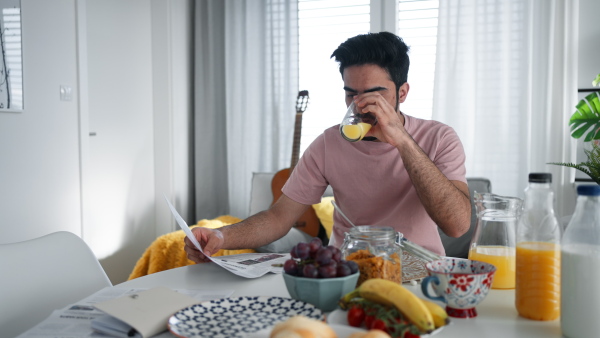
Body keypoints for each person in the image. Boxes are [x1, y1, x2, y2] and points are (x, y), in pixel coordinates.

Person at [185, 31, 471, 263]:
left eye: (373, 94)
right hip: (348, 272)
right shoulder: (328, 144)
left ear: (402, 93)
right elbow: (278, 217)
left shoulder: (439, 138)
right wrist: (221, 238)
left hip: (422, 274)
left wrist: (403, 141)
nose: (360, 105)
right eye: (351, 94)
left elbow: (457, 224)